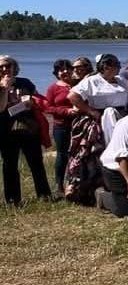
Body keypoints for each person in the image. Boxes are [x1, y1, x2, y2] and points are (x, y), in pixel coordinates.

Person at [65, 53, 128, 203]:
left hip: (120, 117)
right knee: (92, 154)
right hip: (98, 119)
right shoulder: (92, 81)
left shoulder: (121, 81)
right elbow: (72, 96)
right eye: (116, 65)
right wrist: (90, 111)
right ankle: (85, 189)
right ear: (106, 67)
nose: (119, 68)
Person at [0, 56, 52, 204]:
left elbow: (38, 99)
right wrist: (4, 88)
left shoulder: (25, 82)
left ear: (14, 67)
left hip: (29, 128)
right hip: (6, 131)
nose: (5, 69)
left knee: (36, 163)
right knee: (10, 165)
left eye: (8, 65)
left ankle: (44, 196)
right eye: (1, 67)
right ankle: (13, 200)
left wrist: (32, 101)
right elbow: (1, 108)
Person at [43, 58, 79, 191]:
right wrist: (66, 111)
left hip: (79, 126)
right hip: (61, 126)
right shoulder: (53, 88)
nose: (65, 71)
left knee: (78, 154)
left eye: (67, 68)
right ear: (57, 73)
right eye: (61, 70)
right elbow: (48, 108)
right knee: (62, 155)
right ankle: (59, 185)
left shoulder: (78, 84)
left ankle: (75, 183)